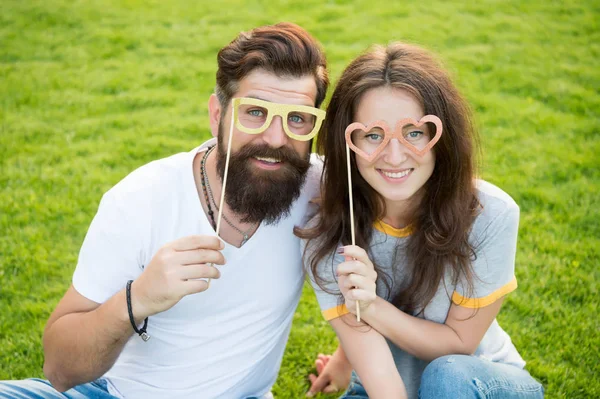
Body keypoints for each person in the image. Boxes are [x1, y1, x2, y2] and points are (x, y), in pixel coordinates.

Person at [0, 22, 329, 399]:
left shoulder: (319, 188)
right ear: (216, 114)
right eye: (254, 112)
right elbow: (59, 369)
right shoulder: (140, 199)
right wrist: (137, 299)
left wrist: (346, 361)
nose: (275, 137)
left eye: (297, 119)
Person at [298, 43, 545, 398]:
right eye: (372, 135)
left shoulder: (490, 214)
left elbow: (458, 345)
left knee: (446, 376)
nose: (394, 156)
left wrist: (370, 307)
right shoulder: (326, 230)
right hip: (386, 385)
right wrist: (344, 358)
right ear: (346, 143)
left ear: (440, 136)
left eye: (414, 132)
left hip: (477, 381)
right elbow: (384, 385)